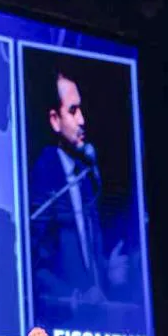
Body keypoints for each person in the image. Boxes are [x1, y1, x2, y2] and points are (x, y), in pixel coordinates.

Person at [29, 68, 127, 318]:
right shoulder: (44, 173)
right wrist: (73, 298)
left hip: (92, 321)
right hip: (59, 320)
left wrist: (108, 271)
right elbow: (34, 260)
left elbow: (86, 256)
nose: (82, 120)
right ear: (55, 120)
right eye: (73, 111)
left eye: (81, 110)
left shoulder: (85, 177)